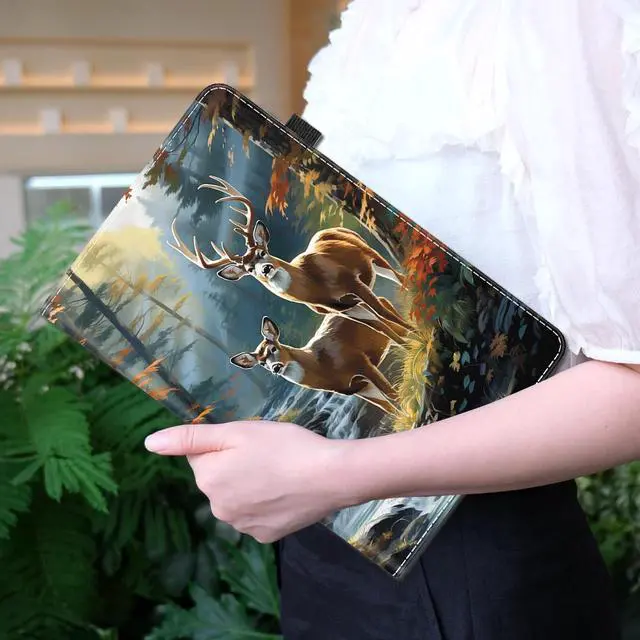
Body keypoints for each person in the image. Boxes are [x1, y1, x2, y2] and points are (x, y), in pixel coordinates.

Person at [144, 1, 640, 638]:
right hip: (326, 545)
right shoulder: (372, 17)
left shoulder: (554, 18)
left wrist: (333, 474)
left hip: (460, 562)